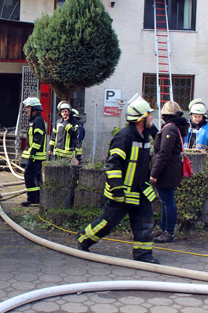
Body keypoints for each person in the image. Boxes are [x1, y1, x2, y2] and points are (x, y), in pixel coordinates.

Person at [77, 94, 160, 264]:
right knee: (108, 223)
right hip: (122, 191)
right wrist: (116, 187)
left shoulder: (145, 136)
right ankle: (84, 238)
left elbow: (157, 145)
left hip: (140, 190)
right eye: (149, 115)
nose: (152, 117)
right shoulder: (124, 138)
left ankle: (143, 255)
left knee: (145, 222)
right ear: (141, 119)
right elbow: (113, 164)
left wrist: (153, 130)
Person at [150, 101, 190, 244]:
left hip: (167, 170)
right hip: (171, 168)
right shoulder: (173, 127)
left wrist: (154, 173)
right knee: (166, 200)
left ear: (165, 114)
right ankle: (163, 229)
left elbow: (164, 153)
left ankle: (169, 232)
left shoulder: (170, 128)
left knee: (167, 201)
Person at [21, 97, 47, 207]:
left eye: (28, 107)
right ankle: (37, 199)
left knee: (29, 175)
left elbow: (38, 139)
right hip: (35, 155)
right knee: (37, 177)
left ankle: (32, 199)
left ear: (34, 108)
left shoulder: (38, 121)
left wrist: (32, 152)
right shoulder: (34, 120)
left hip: (35, 155)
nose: (27, 110)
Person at [184, 99, 208, 166]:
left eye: (199, 117)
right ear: (191, 115)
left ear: (203, 116)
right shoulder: (185, 126)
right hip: (185, 160)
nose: (197, 119)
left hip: (203, 162)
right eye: (195, 116)